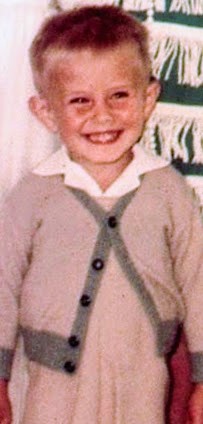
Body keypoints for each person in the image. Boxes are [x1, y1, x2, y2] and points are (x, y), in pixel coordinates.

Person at [0, 5, 203, 424]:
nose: (103, 115)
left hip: (143, 380)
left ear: (148, 98)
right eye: (79, 101)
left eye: (119, 96)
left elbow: (200, 284)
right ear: (45, 112)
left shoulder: (170, 192)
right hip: (51, 390)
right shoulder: (31, 195)